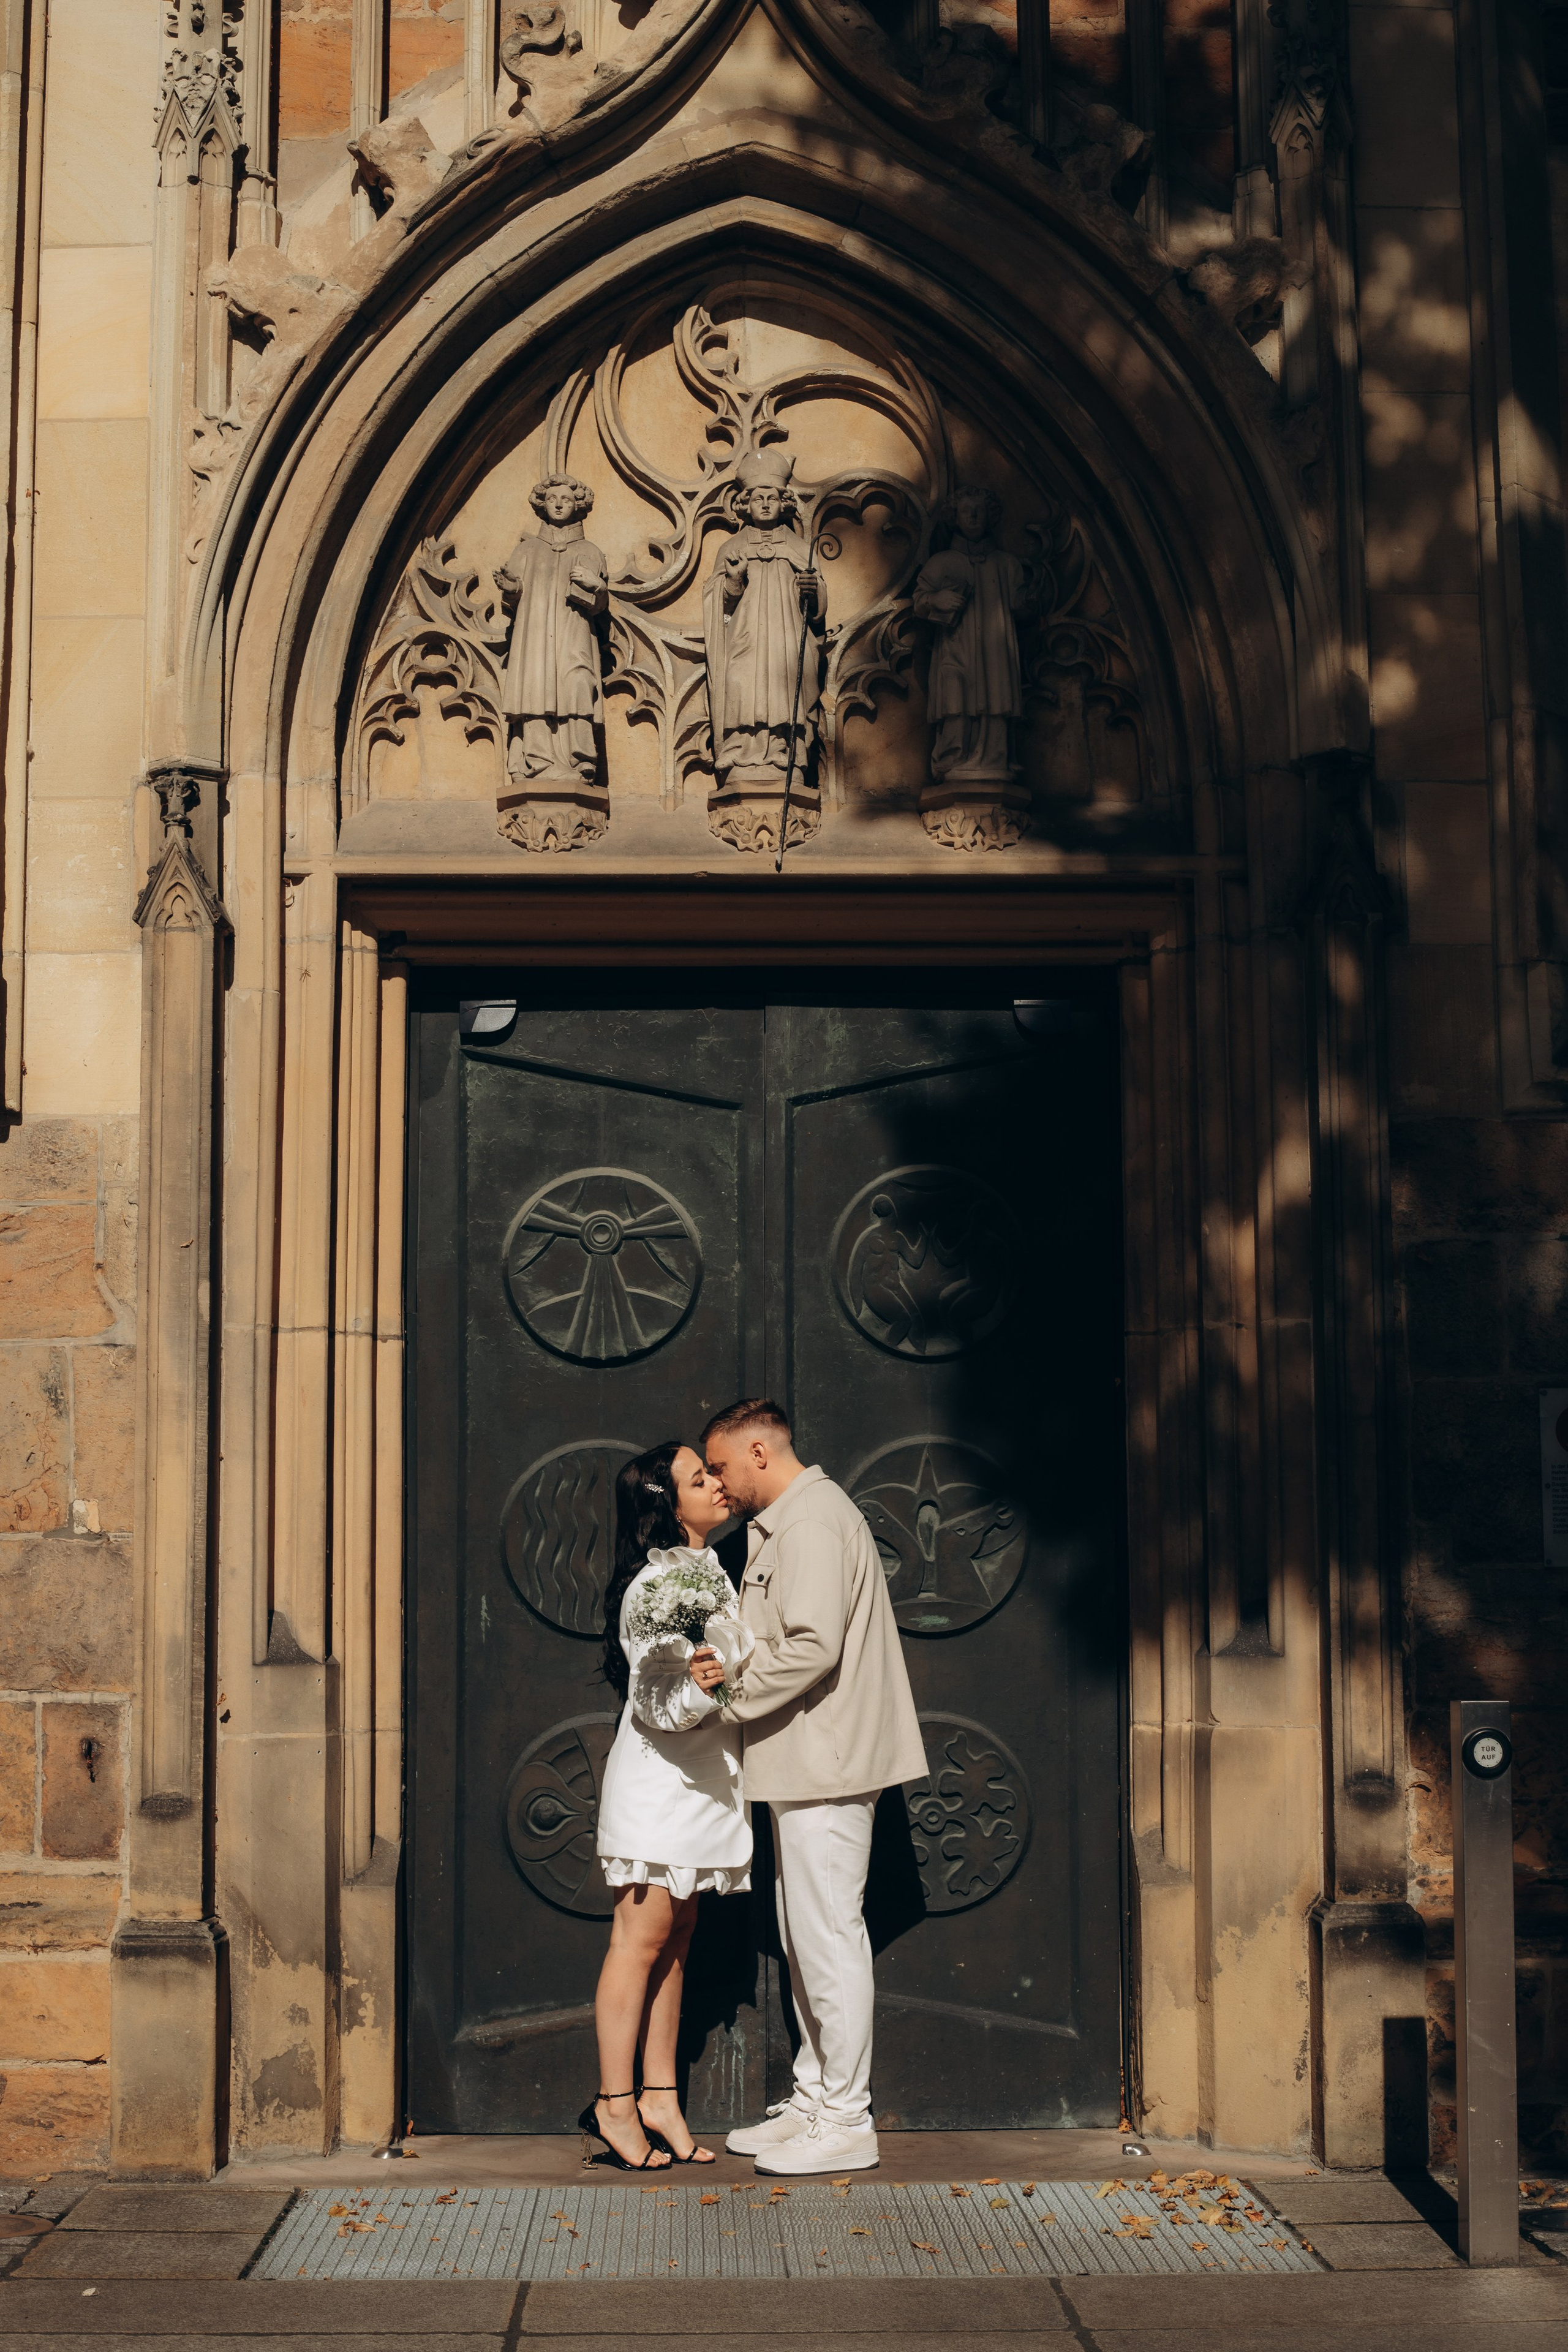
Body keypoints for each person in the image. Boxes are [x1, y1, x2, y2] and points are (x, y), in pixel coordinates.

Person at [690, 1400, 925, 2175]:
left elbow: (814, 1645)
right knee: (804, 1935)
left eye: (720, 1467)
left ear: (759, 1452)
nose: (717, 1486)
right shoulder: (791, 1522)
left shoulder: (812, 1520)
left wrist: (730, 1695)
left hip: (828, 1759)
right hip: (806, 1758)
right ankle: (818, 2098)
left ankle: (847, 2118)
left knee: (825, 1935)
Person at [584, 1440, 753, 2171]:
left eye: (714, 1473)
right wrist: (707, 1686)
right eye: (699, 1477)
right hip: (660, 1788)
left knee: (676, 1943)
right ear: (664, 1503)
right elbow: (655, 1699)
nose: (717, 1483)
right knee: (638, 1943)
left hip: (704, 1787)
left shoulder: (709, 1570)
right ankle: (614, 2105)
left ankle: (660, 2096)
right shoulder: (650, 1587)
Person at [702, 449, 824, 788]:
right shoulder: (731, 548)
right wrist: (733, 580)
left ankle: (785, 751)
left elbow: (816, 608)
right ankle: (741, 749)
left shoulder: (801, 548)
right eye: (758, 498)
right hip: (745, 638)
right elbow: (717, 607)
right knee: (741, 683)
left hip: (785, 638)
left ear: (784, 502)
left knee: (784, 687)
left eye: (772, 497)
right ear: (746, 504)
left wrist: (811, 589)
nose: (766, 504)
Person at [496, 471, 608, 791]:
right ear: (542, 505)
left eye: (567, 499)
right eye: (552, 499)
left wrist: (596, 585)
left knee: (577, 684)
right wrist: (510, 588)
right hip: (534, 636)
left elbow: (600, 604)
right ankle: (537, 760)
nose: (559, 505)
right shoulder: (527, 550)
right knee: (535, 687)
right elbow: (514, 597)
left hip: (574, 634)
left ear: (579, 505)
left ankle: (580, 760)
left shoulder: (591, 551)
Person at [912, 482, 1029, 786]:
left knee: (997, 695)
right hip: (956, 649)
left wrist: (1027, 601)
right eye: (966, 511)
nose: (973, 516)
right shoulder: (942, 563)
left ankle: (995, 759)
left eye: (979, 511)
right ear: (956, 517)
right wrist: (935, 600)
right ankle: (953, 760)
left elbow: (1024, 606)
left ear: (991, 516)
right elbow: (920, 601)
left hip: (995, 650)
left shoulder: (1007, 564)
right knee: (955, 700)